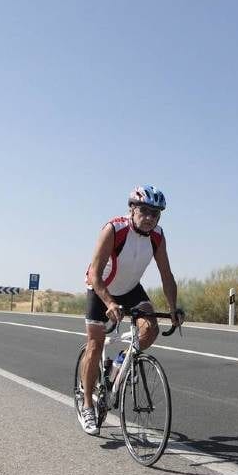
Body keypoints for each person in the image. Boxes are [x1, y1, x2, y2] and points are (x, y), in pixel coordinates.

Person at [79, 185, 183, 436]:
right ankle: (87, 404)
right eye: (145, 211)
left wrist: (172, 309)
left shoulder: (157, 236)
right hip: (101, 288)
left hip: (130, 289)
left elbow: (166, 275)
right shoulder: (114, 230)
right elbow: (95, 273)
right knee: (95, 344)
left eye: (155, 214)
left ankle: (120, 362)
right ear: (132, 209)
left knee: (150, 329)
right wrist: (110, 303)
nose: (149, 218)